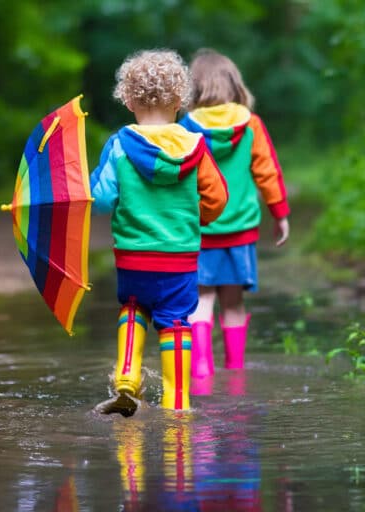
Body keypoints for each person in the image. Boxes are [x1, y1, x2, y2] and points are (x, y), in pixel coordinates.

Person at [90, 49, 228, 415]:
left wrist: (90, 184)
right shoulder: (196, 147)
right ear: (180, 102)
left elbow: (101, 198)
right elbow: (217, 198)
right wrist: (195, 218)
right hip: (179, 258)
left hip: (133, 256)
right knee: (176, 322)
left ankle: (126, 377)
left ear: (129, 100)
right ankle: (177, 402)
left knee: (134, 307)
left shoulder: (119, 145)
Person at [179, 49, 290, 383]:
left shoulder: (186, 128)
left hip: (200, 229)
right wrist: (279, 213)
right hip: (240, 230)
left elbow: (177, 178)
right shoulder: (251, 125)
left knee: (201, 299)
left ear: (194, 88)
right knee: (233, 302)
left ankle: (201, 370)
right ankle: (236, 373)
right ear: (234, 84)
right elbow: (267, 172)